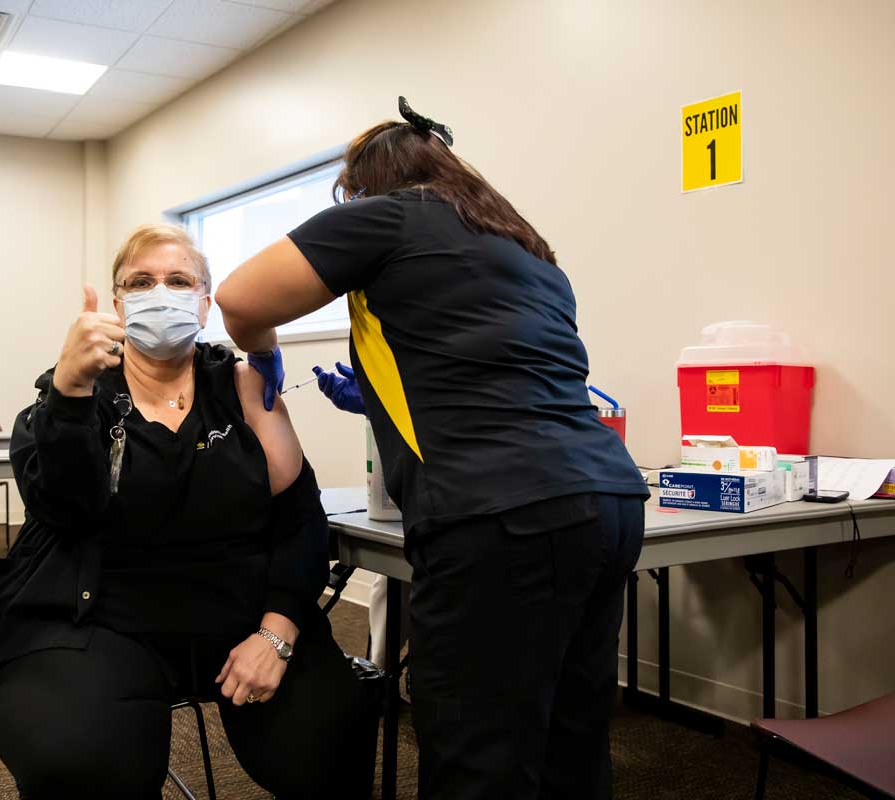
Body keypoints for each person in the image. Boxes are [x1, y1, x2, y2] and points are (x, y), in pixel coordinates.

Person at [216, 98, 650, 800]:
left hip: (501, 517)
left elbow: (240, 301)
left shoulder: (387, 214)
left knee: (476, 749)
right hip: (608, 501)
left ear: (365, 187)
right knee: (571, 734)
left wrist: (260, 351)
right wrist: (384, 397)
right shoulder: (526, 247)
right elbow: (495, 363)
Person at [0, 224, 375, 799]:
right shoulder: (75, 393)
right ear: (116, 304)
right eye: (141, 282)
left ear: (206, 302)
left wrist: (279, 630)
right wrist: (67, 391)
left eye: (179, 280)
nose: (160, 292)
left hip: (241, 618)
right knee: (80, 765)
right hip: (96, 622)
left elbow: (299, 519)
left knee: (334, 735)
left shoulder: (242, 386)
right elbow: (61, 509)